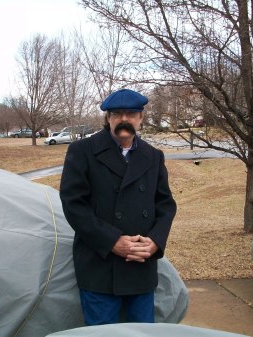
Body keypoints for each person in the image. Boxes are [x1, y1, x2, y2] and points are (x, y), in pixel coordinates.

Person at [59, 88, 177, 325]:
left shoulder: (153, 156)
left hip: (140, 266)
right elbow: (74, 205)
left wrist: (155, 241)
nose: (124, 119)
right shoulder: (82, 151)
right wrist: (112, 241)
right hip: (100, 267)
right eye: (117, 114)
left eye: (131, 114)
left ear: (141, 118)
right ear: (108, 118)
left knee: (142, 333)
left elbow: (165, 205)